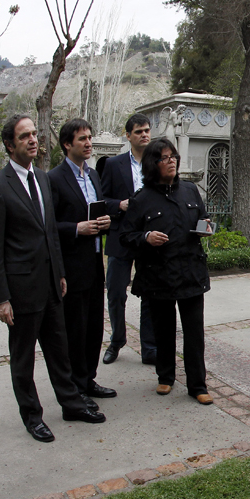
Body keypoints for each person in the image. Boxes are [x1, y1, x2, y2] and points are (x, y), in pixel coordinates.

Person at [0, 115, 106, 443]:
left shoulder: (41, 178)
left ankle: (71, 404)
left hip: (51, 285)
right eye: (25, 136)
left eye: (34, 134)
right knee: (23, 359)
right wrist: (0, 298)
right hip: (21, 290)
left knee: (59, 351)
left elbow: (50, 231)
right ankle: (32, 416)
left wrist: (60, 273)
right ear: (10, 145)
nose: (33, 140)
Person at [120, 138, 214, 404]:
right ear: (153, 164)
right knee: (163, 330)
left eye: (173, 156)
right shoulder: (142, 199)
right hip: (158, 275)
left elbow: (202, 218)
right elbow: (126, 236)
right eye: (164, 157)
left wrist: (205, 226)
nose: (171, 161)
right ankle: (165, 376)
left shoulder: (190, 190)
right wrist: (146, 237)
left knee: (194, 333)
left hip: (191, 272)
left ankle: (197, 385)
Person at [48, 119, 117, 409]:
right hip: (71, 266)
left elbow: (96, 211)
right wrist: (77, 229)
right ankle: (75, 387)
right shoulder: (54, 179)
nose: (88, 143)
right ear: (67, 144)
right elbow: (49, 226)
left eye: (89, 137)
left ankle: (89, 379)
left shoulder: (93, 175)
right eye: (82, 139)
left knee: (93, 327)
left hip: (95, 263)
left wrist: (105, 222)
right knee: (75, 329)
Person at [101, 114, 156, 365]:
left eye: (146, 131)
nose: (144, 135)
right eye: (138, 131)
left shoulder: (157, 162)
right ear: (128, 136)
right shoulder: (114, 165)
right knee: (115, 292)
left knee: (149, 293)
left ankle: (149, 347)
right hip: (121, 236)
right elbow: (102, 199)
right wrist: (119, 205)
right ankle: (116, 340)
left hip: (148, 237)